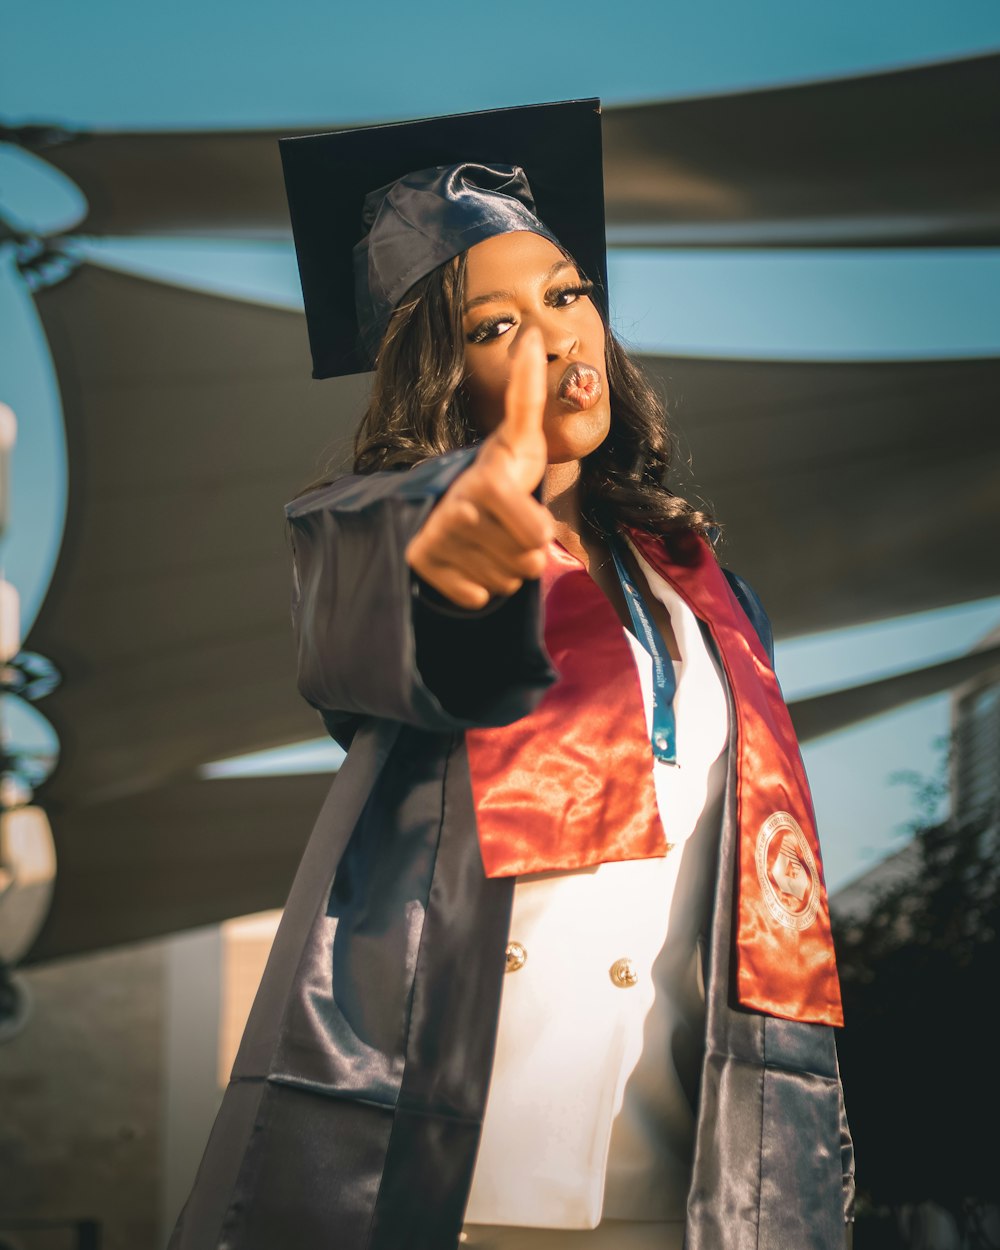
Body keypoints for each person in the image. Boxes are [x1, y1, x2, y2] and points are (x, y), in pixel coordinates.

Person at [168, 101, 854, 1250]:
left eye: (568, 294)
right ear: (439, 369)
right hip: (463, 1170)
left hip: (681, 1172)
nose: (554, 338)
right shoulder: (374, 540)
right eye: (494, 324)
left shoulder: (706, 595)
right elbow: (376, 621)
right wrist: (447, 554)